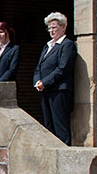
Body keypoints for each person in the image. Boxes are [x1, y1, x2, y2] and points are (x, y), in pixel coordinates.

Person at [32, 11, 76, 146]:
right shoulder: (48, 46)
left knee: (60, 124)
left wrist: (45, 82)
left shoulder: (67, 45)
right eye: (49, 28)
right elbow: (39, 67)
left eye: (54, 27)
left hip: (59, 91)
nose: (51, 30)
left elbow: (62, 68)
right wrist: (37, 81)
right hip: (46, 90)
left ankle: (64, 153)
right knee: (48, 124)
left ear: (63, 27)